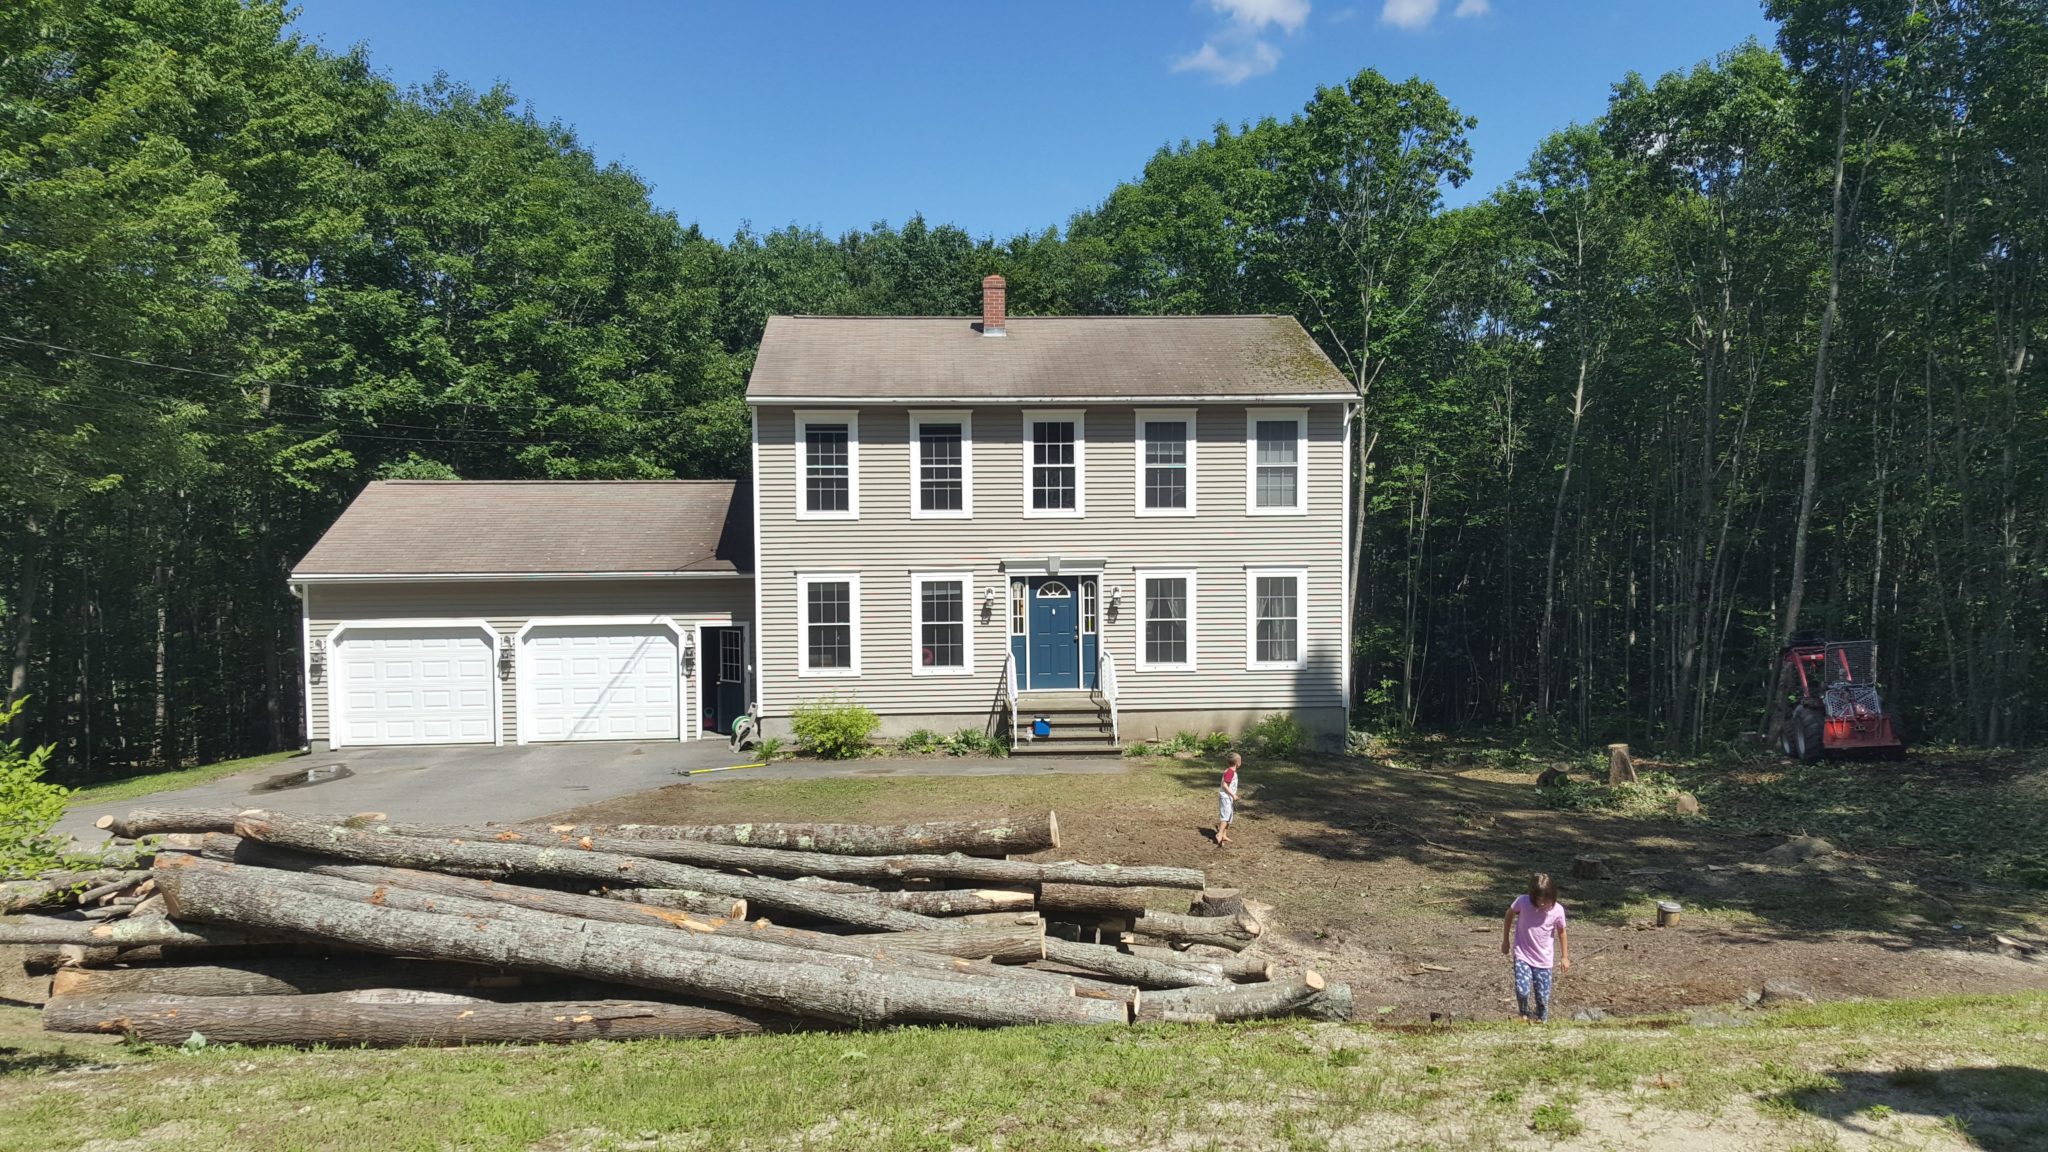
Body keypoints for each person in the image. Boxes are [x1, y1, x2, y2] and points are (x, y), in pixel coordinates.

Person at [1501, 872, 1569, 1022]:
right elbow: (1509, 914)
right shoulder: (1522, 902)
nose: (1542, 903)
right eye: (1538, 899)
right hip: (1523, 954)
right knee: (1522, 990)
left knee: (1543, 998)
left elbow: (1562, 932)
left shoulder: (1557, 910)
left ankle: (1542, 1022)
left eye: (1546, 899)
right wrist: (1505, 940)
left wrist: (1564, 957)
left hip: (1544, 960)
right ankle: (1524, 1014)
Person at [1215, 752, 1241, 845]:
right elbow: (1225, 785)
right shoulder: (1230, 772)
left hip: (1228, 797)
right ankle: (1219, 834)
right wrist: (1233, 795)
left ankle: (1224, 835)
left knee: (1229, 817)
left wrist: (1233, 795)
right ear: (1237, 762)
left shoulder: (1231, 772)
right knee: (1225, 816)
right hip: (1225, 797)